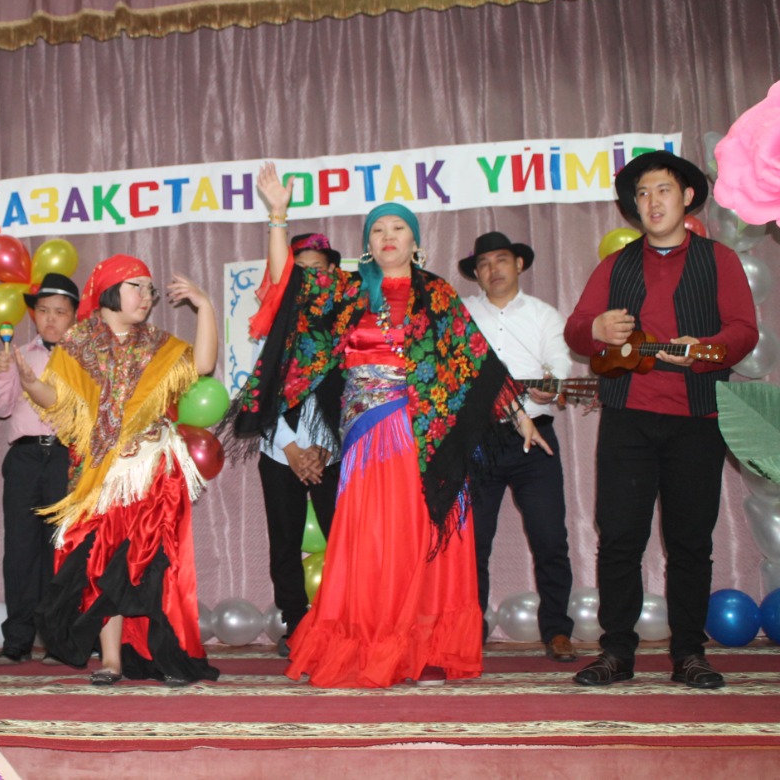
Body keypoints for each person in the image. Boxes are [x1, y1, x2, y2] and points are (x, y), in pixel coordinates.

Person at [233, 162, 548, 689]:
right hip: (369, 436)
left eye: (398, 227)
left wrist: (520, 417)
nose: (387, 236)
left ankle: (423, 649)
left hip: (425, 435)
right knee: (376, 543)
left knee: (421, 538)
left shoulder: (437, 293)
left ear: (415, 241)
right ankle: (376, 643)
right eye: (377, 229)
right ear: (367, 244)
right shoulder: (349, 291)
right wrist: (278, 216)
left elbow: (475, 359)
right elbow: (288, 284)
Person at [566, 151, 758, 689]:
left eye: (663, 190)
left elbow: (744, 330)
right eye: (643, 193)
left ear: (687, 197)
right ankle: (616, 652)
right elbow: (578, 327)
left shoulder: (719, 260)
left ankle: (689, 653)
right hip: (627, 418)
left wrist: (708, 347)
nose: (652, 202)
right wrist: (595, 330)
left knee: (691, 541)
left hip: (697, 418)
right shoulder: (616, 265)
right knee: (619, 538)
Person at [17, 255, 219, 686]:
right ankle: (110, 660)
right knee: (101, 566)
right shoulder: (77, 344)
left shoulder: (159, 345)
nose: (147, 296)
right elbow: (57, 401)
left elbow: (203, 365)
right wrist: (31, 384)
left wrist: (204, 306)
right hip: (101, 476)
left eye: (150, 289)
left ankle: (166, 656)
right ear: (110, 291)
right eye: (136, 286)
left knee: (153, 564)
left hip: (153, 474)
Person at [459, 231, 577, 662]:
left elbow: (560, 364)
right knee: (473, 544)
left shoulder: (545, 315)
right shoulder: (462, 314)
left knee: (550, 538)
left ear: (519, 264)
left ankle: (557, 631)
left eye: (502, 260)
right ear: (476, 273)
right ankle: (469, 630)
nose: (493, 269)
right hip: (478, 440)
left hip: (536, 438)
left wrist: (552, 385)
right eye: (484, 263)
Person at [0, 272, 80, 665]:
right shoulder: (19, 353)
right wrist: (3, 372)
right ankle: (18, 640)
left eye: (60, 311)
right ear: (34, 315)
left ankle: (61, 640)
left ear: (74, 316)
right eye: (43, 311)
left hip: (66, 456)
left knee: (63, 548)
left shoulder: (85, 358)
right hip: (24, 458)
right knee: (20, 550)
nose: (50, 319)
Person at [255, 233, 341, 657]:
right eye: (300, 272)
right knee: (284, 543)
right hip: (278, 452)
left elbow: (353, 393)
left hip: (332, 453)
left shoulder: (345, 325)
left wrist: (322, 447)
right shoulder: (269, 324)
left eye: (317, 270)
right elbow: (259, 394)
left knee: (343, 539)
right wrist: (292, 450)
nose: (310, 280)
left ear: (333, 273)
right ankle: (297, 625)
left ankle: (342, 624)